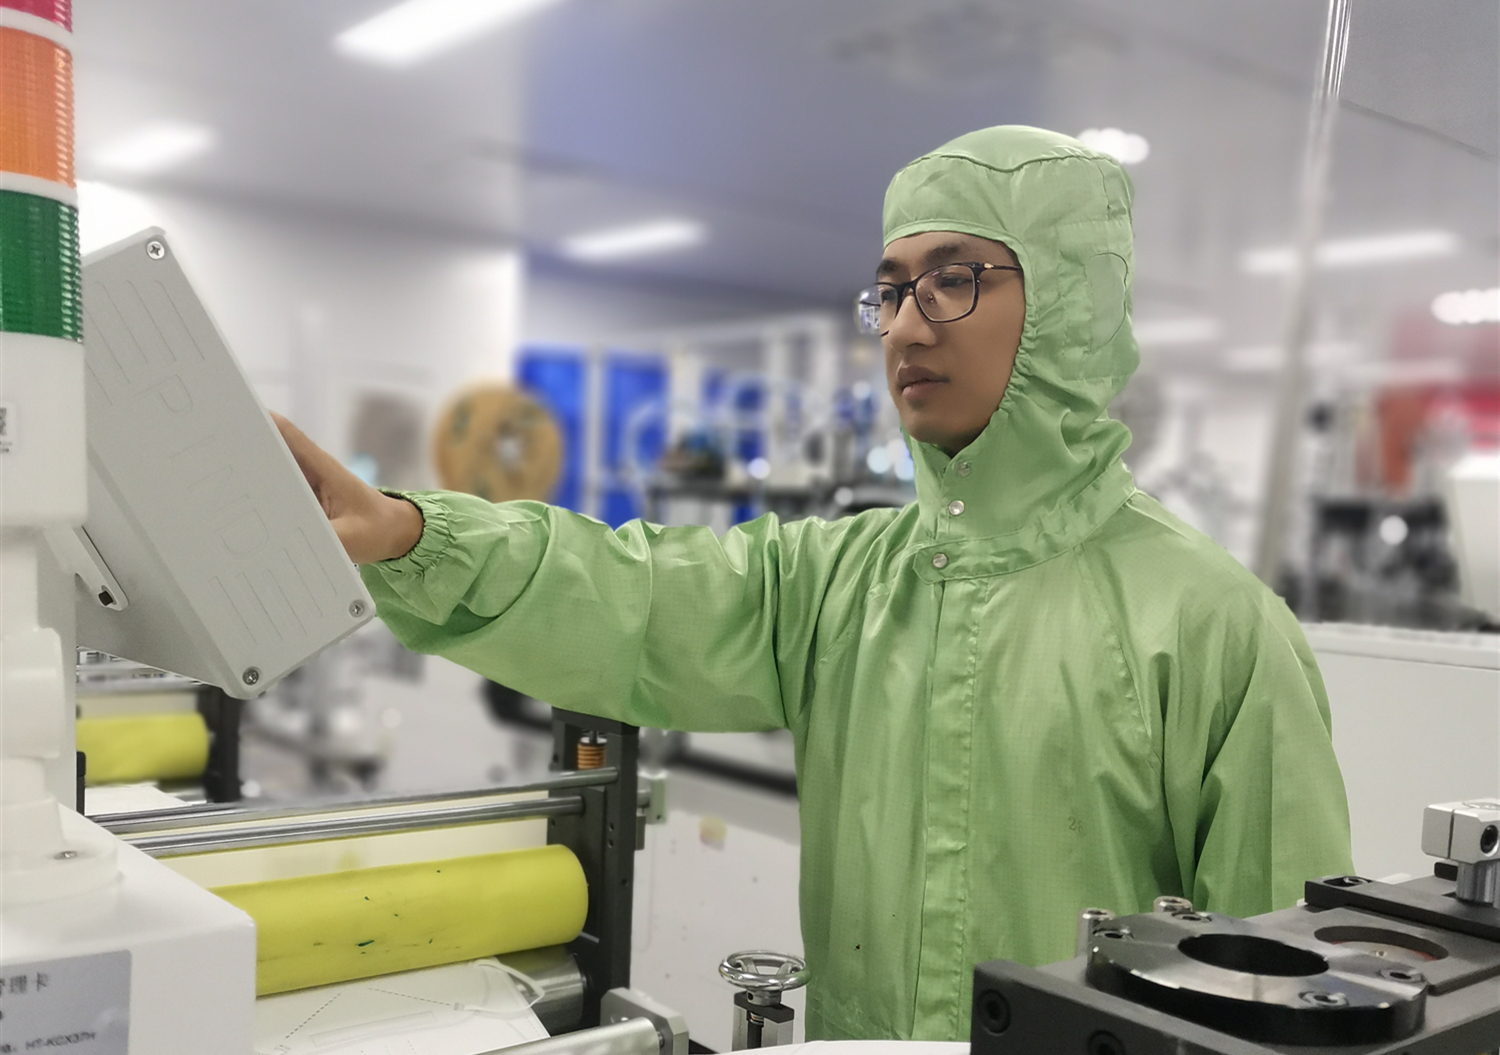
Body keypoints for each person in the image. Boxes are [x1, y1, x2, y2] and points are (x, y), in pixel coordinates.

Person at [275, 125, 1353, 1042]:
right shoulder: (840, 581)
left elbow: (1281, 988)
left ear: (1068, 301)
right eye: (890, 290)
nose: (908, 324)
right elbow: (633, 593)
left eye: (954, 279)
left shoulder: (1212, 626)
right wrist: (412, 535)